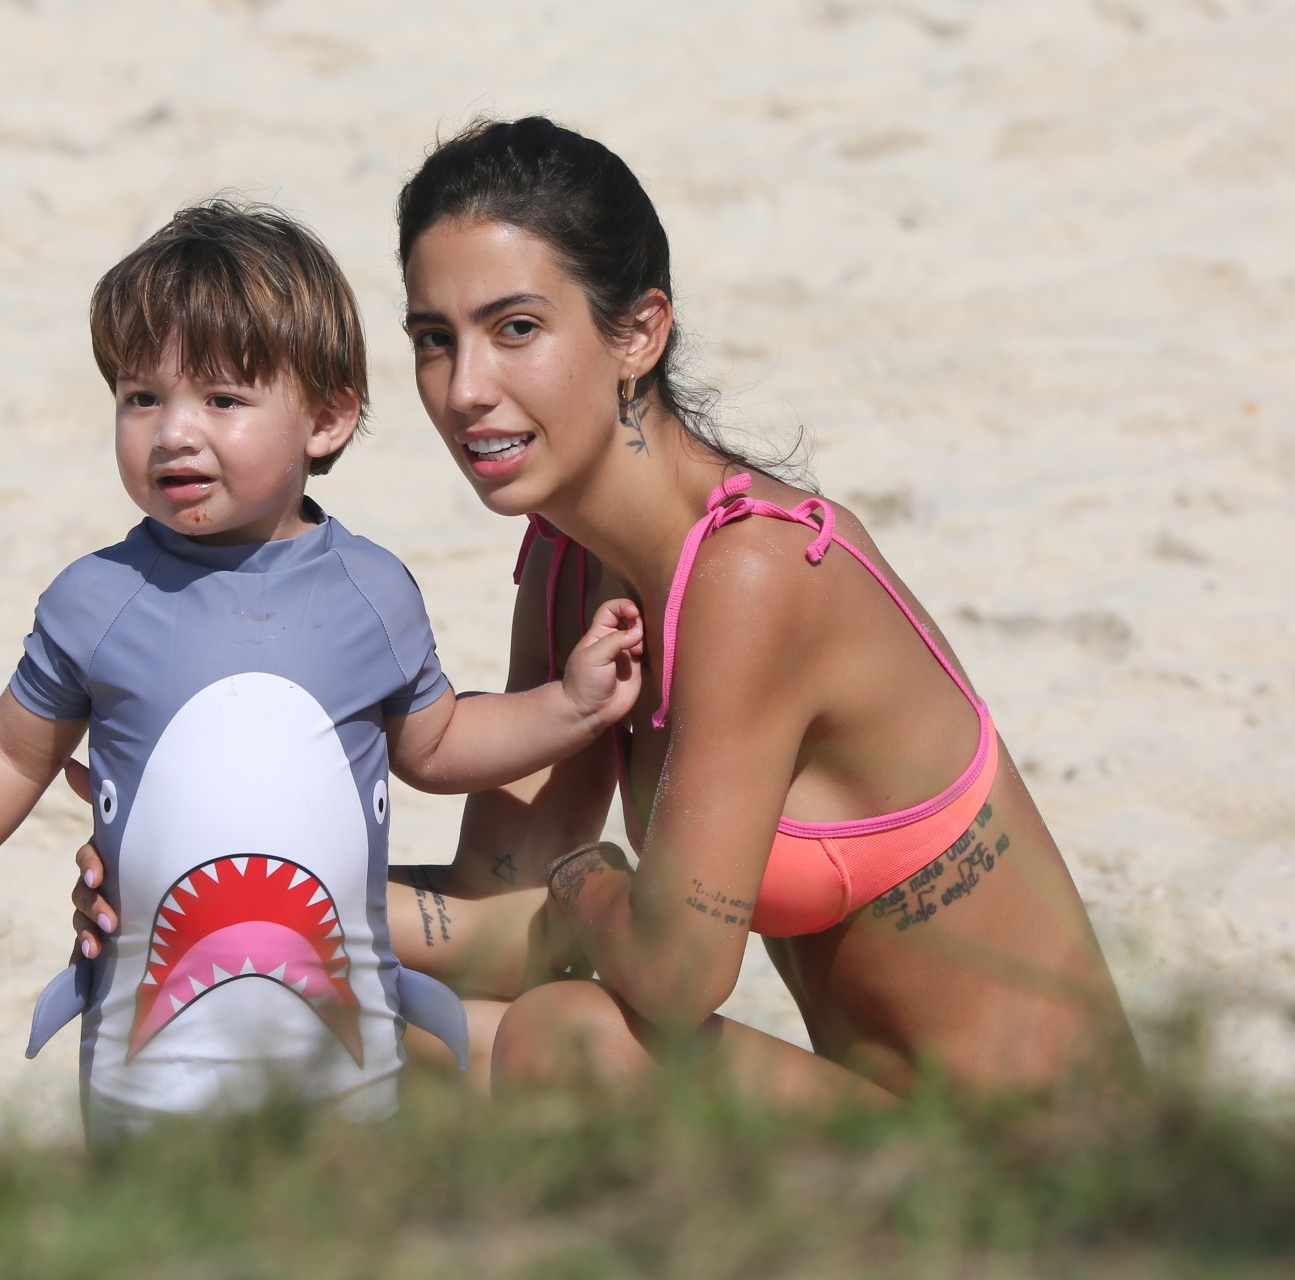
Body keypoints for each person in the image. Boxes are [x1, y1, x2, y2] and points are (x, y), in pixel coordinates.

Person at [73, 121, 1143, 1109]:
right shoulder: (569, 563)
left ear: (638, 334)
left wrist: (588, 879)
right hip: (875, 1135)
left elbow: (675, 971)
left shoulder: (758, 572)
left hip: (1047, 1189)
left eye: (518, 328)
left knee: (572, 1038)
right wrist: (203, 878)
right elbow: (502, 920)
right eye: (436, 338)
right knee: (400, 1024)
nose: (465, 388)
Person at [0, 199, 646, 1142]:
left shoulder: (370, 592)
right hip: (147, 1064)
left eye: (223, 400)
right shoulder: (97, 597)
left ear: (327, 418)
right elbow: (7, 751)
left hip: (345, 1064)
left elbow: (437, 742)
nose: (173, 433)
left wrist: (567, 706)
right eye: (140, 396)